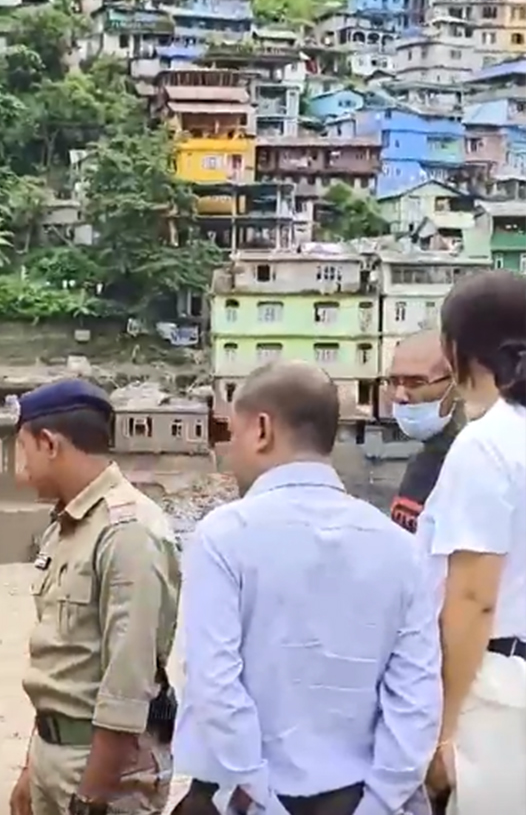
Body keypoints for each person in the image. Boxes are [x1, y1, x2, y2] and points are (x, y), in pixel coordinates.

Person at [172, 361, 441, 815]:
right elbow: (415, 698)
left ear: (261, 429)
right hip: (358, 798)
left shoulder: (223, 537)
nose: (229, 453)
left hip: (244, 799)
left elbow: (214, 685)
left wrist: (260, 796)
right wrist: (380, 803)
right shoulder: (399, 547)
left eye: (232, 434)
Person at [9, 379, 180, 815]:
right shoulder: (67, 527)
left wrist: (92, 797)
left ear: (49, 444)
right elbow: (63, 663)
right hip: (55, 754)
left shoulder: (128, 532)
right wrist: (33, 767)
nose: (20, 468)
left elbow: (128, 682)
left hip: (102, 767)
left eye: (23, 449)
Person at [416, 270, 526, 815]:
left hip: (499, 690)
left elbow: (473, 597)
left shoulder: (488, 444)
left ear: (454, 350)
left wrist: (443, 729)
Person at [387, 329, 463, 534]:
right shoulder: (423, 462)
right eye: (394, 382)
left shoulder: (478, 462)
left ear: (457, 383)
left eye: (416, 383)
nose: (400, 395)